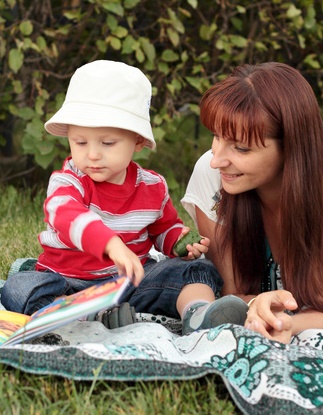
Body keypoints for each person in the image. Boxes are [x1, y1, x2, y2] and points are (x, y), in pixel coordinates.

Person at [2, 60, 249, 335]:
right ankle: (83, 318)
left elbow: (163, 227)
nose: (92, 154)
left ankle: (199, 313)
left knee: (195, 269)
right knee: (20, 288)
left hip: (132, 282)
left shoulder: (153, 186)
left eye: (107, 143)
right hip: (67, 283)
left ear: (138, 141)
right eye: (80, 142)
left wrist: (179, 240)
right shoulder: (69, 180)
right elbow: (67, 216)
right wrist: (111, 244)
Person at [181, 62, 323, 344]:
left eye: (240, 147)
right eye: (216, 136)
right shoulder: (212, 172)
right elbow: (233, 293)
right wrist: (257, 307)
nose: (217, 159)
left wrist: (289, 324)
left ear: (292, 146)